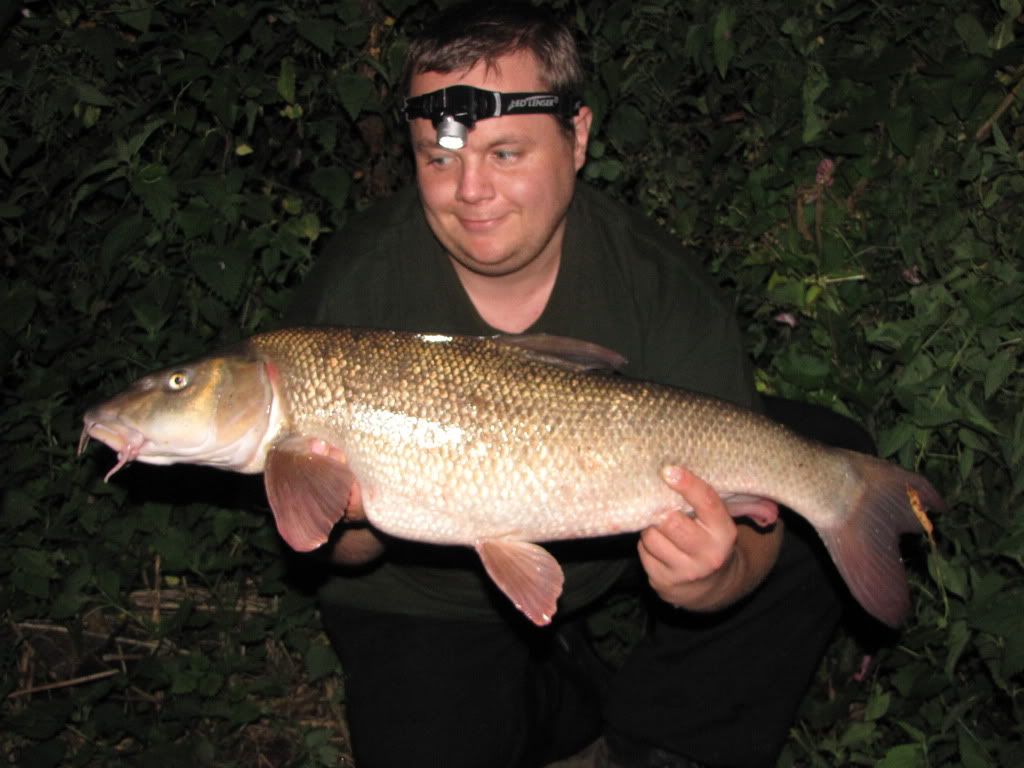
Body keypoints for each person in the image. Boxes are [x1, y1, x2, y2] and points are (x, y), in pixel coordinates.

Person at [285, 3, 844, 766]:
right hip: (421, 595)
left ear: (576, 137)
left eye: (506, 154)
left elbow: (753, 538)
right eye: (438, 158)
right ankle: (552, 691)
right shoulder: (356, 291)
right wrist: (345, 516)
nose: (470, 191)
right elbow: (333, 556)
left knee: (828, 463)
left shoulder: (658, 285)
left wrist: (711, 580)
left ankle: (658, 738)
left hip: (604, 566)